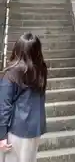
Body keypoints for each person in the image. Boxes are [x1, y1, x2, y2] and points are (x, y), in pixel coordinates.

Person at [0, 33, 47, 162]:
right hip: (35, 127)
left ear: (18, 49)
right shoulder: (41, 69)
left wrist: (2, 135)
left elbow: (4, 106)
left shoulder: (11, 73)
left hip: (16, 130)